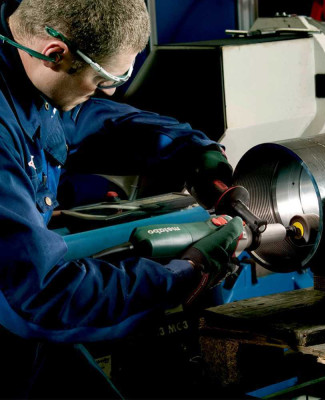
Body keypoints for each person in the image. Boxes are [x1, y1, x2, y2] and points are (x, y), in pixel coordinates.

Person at [0, 0, 243, 397]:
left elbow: (88, 119)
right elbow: (38, 294)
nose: (108, 91)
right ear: (55, 55)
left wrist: (191, 151)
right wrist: (183, 274)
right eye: (101, 79)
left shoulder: (20, 60)